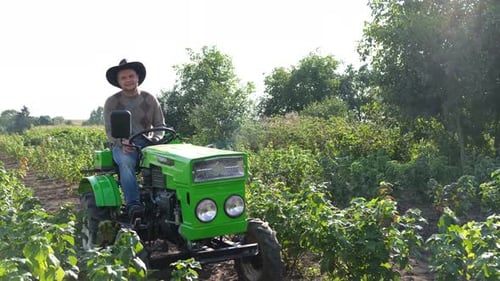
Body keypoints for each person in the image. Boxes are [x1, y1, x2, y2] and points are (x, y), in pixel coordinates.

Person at [104, 59, 165, 217]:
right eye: (123, 78)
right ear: (118, 82)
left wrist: (156, 139)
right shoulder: (112, 102)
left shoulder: (149, 99)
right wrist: (121, 142)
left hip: (148, 143)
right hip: (123, 144)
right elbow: (110, 131)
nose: (128, 80)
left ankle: (164, 202)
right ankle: (134, 205)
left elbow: (160, 125)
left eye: (131, 76)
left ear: (138, 77)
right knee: (126, 162)